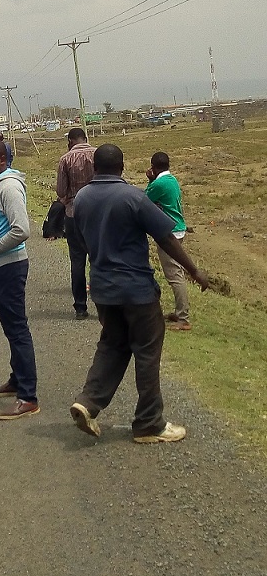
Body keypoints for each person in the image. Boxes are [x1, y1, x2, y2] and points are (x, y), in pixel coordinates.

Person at [70, 144, 208, 443]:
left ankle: (88, 402)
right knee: (147, 352)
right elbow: (166, 237)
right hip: (136, 291)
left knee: (112, 345)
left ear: (95, 166)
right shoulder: (132, 196)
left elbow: (80, 237)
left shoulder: (82, 198)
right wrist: (194, 271)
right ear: (122, 166)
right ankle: (149, 423)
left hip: (103, 289)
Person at [0, 138, 38, 420]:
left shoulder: (9, 187)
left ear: (3, 160)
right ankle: (16, 379)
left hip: (8, 267)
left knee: (17, 329)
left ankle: (28, 396)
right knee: (10, 328)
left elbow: (21, 230)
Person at [145, 151, 192, 331]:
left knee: (174, 276)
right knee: (176, 273)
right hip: (178, 228)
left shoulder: (159, 183)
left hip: (169, 232)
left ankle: (183, 318)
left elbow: (144, 199)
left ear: (154, 167)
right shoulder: (171, 180)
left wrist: (150, 181)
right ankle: (180, 312)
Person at [54, 127, 97, 319]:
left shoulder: (65, 159)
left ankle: (80, 307)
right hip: (97, 213)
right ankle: (104, 304)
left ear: (70, 141)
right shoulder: (98, 154)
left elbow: (61, 191)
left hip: (73, 214)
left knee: (77, 262)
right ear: (85, 138)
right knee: (99, 259)